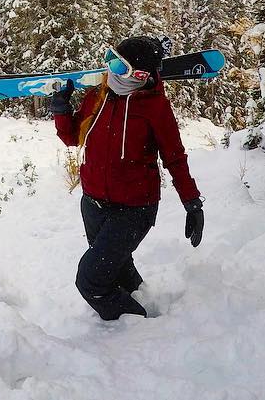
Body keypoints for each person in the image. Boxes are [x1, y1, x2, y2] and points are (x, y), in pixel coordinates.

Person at [52, 34, 204, 321]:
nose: (110, 68)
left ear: (140, 74)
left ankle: (140, 327)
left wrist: (192, 202)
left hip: (134, 209)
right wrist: (61, 111)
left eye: (118, 66)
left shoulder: (154, 107)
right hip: (93, 203)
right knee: (117, 268)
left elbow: (175, 158)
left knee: (91, 281)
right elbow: (73, 136)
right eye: (109, 58)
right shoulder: (99, 95)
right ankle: (143, 300)